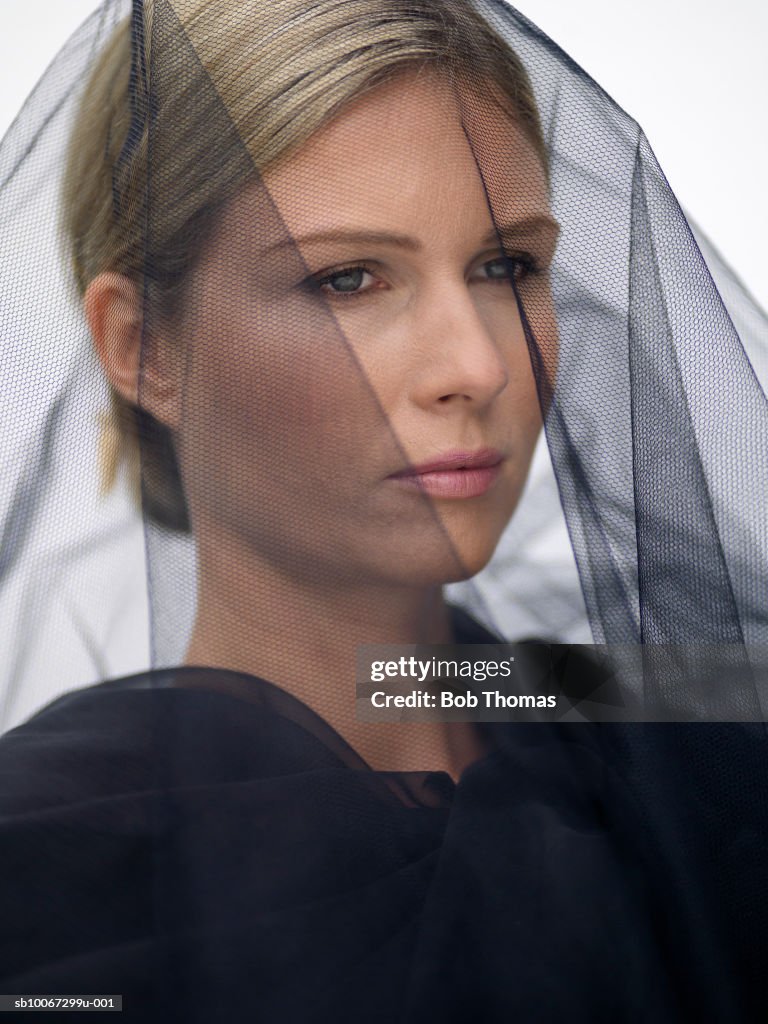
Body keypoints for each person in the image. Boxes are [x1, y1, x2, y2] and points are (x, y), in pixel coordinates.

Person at [1, 0, 767, 1021]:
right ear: (143, 345)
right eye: (349, 278)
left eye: (508, 266)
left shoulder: (689, 766)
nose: (479, 366)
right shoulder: (48, 864)